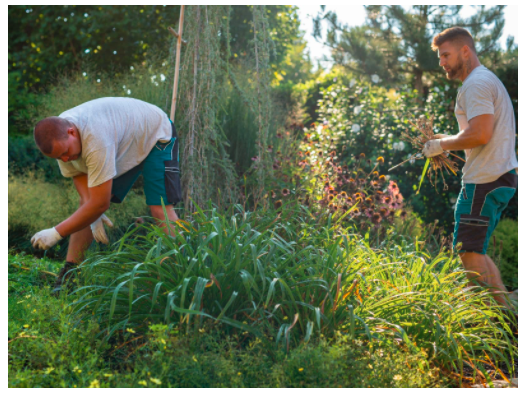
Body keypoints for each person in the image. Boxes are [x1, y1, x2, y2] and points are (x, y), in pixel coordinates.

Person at [31, 97, 183, 293]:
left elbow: (100, 204)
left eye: (65, 153)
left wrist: (56, 232)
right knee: (85, 208)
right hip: (124, 143)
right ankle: (70, 275)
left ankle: (184, 267)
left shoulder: (96, 139)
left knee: (160, 209)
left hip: (156, 135)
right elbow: (83, 187)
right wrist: (92, 214)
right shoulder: (61, 142)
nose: (65, 159)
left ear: (71, 132)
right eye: (60, 157)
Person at [423, 27, 518, 308]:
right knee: (474, 251)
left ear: (466, 51)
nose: (441, 62)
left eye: (446, 55)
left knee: (469, 252)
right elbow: (475, 135)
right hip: (495, 177)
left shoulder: (475, 84)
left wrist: (441, 146)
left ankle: (505, 320)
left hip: (485, 181)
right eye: (440, 57)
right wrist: (445, 141)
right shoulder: (484, 80)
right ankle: (498, 312)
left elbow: (481, 134)